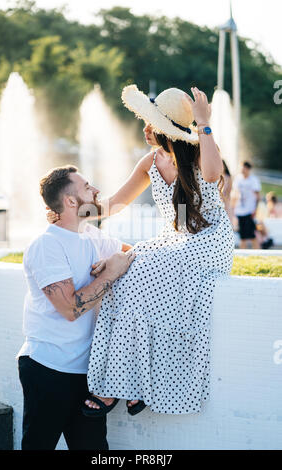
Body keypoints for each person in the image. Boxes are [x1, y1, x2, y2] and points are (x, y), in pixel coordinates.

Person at [79, 85, 235, 415]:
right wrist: (73, 211)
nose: (145, 128)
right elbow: (115, 204)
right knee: (120, 272)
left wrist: (204, 122)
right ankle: (128, 381)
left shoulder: (200, 151)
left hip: (209, 241)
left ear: (167, 131)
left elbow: (211, 174)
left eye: (151, 123)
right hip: (175, 240)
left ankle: (139, 383)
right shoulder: (150, 161)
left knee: (144, 268)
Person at [16, 165, 136, 450]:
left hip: (87, 374)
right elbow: (70, 309)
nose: (95, 191)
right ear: (71, 202)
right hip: (48, 368)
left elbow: (134, 255)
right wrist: (110, 273)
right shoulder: (47, 245)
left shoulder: (92, 237)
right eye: (87, 187)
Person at [232, 161, 261, 249]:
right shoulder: (238, 179)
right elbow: (235, 194)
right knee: (242, 236)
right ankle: (242, 254)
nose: (242, 170)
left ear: (248, 169)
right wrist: (233, 208)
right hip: (240, 210)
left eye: (244, 168)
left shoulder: (253, 180)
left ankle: (258, 252)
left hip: (249, 210)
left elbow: (257, 196)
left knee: (252, 234)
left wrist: (255, 209)